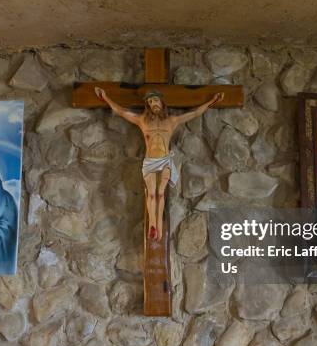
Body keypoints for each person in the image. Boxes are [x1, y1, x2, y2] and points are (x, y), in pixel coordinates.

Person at [94, 87, 222, 240]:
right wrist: (106, 97)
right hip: (150, 162)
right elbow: (121, 112)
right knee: (152, 194)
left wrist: (212, 101)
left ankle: (158, 229)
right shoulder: (143, 121)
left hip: (165, 161)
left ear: (161, 102)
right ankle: (152, 225)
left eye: (155, 100)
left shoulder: (172, 121)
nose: (153, 103)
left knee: (161, 194)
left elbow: (194, 113)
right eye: (149, 102)